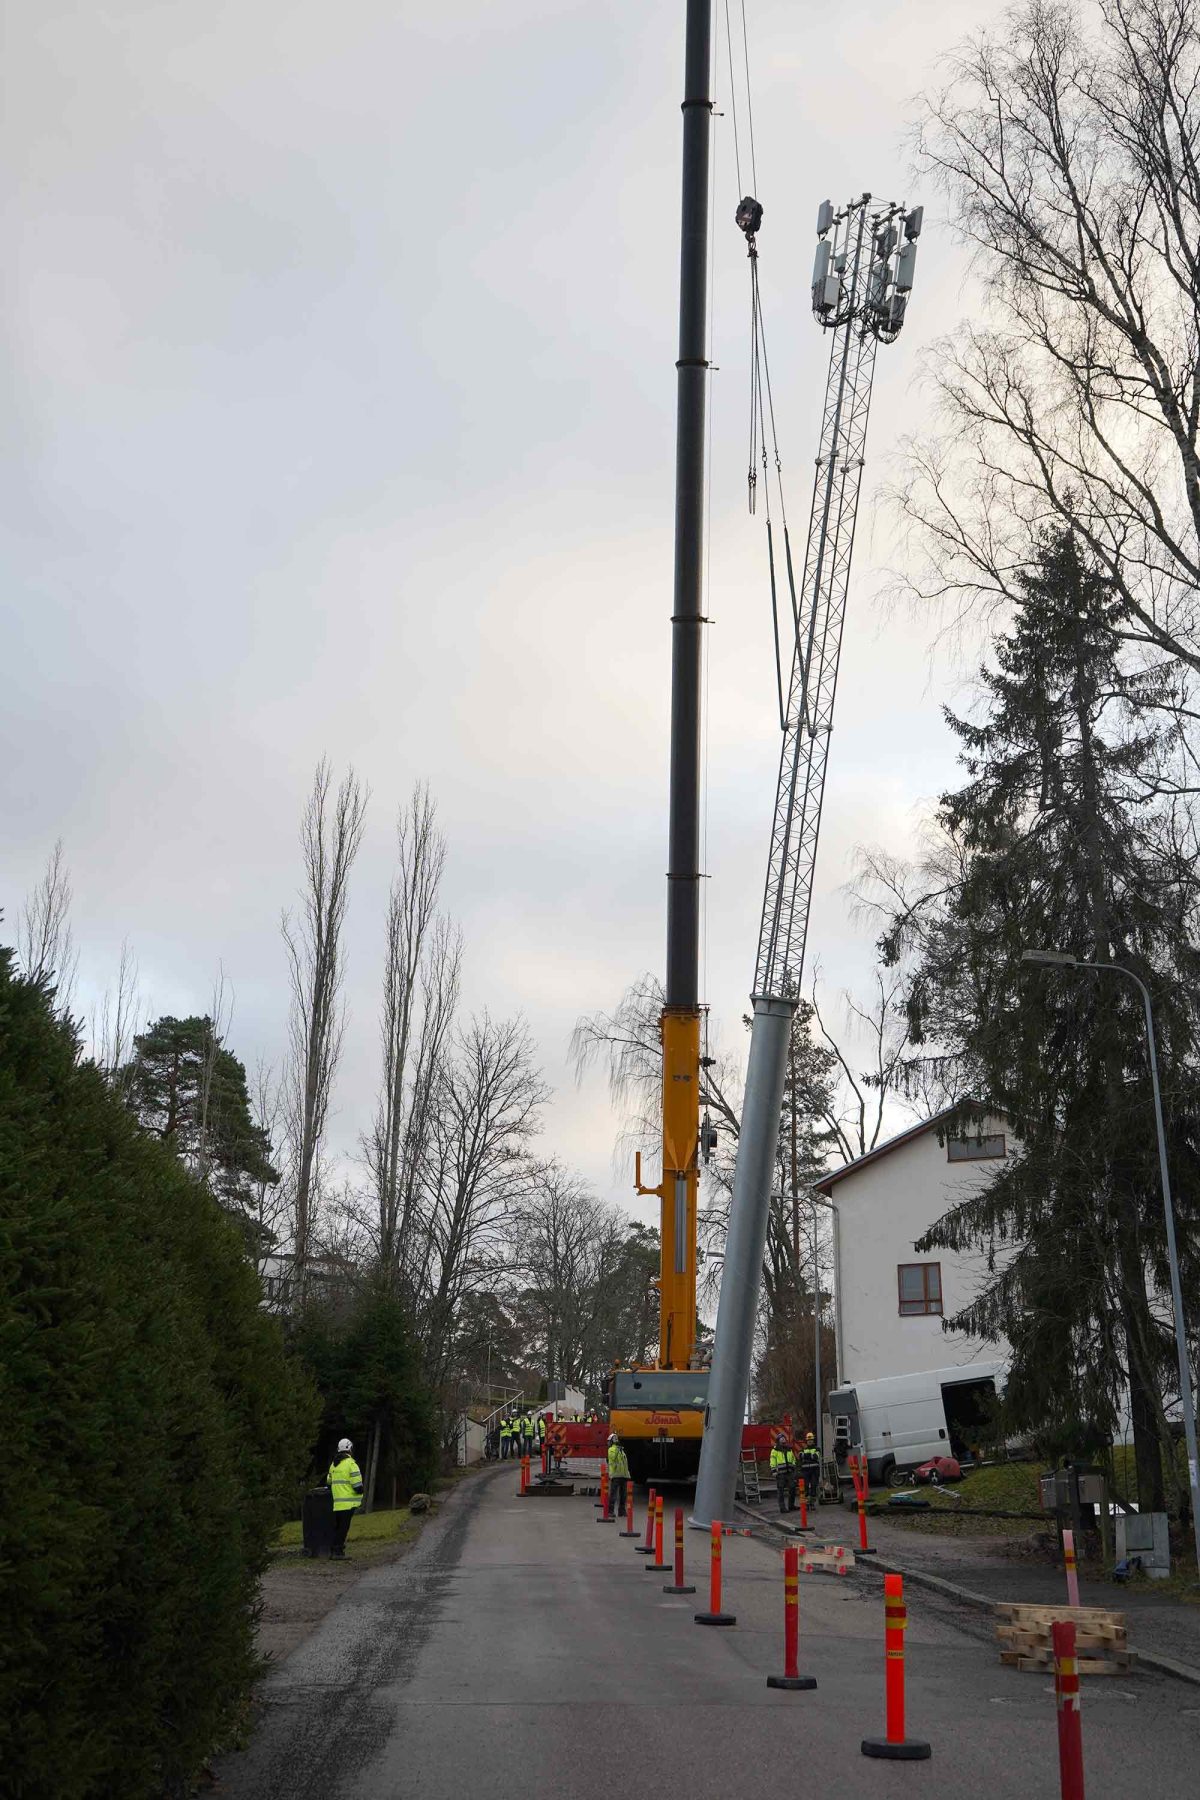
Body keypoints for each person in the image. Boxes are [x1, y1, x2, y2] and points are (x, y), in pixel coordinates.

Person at [326, 1437, 365, 1557]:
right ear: (350, 1449)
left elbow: (328, 1482)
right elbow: (357, 1486)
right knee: (343, 1529)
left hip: (337, 1503)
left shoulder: (333, 1465)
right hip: (349, 1503)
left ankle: (334, 1550)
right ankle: (338, 1551)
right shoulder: (351, 1464)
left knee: (337, 1528)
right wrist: (361, 1492)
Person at [770, 1432, 798, 1515]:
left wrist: (793, 1466)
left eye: (784, 1438)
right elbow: (772, 1461)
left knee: (792, 1488)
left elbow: (793, 1459)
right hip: (780, 1473)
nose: (783, 1439)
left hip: (789, 1472)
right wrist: (774, 1471)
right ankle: (782, 1508)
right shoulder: (774, 1450)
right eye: (781, 1438)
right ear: (778, 1440)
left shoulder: (789, 1449)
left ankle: (791, 1505)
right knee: (781, 1491)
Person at [606, 1433, 630, 1520]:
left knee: (623, 1495)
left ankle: (621, 1511)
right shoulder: (611, 1450)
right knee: (613, 1494)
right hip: (615, 1475)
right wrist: (618, 1450)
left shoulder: (621, 1450)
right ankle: (610, 1511)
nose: (608, 1443)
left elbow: (624, 1463)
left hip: (623, 1475)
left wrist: (627, 1474)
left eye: (609, 1441)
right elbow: (612, 1458)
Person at [800, 1431, 821, 1505]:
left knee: (813, 1486)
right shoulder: (803, 1449)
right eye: (808, 1440)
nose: (810, 1441)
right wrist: (810, 1456)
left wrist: (806, 1456)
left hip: (814, 1471)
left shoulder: (817, 1449)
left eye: (811, 1440)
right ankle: (806, 1503)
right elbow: (800, 1456)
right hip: (805, 1471)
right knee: (805, 1487)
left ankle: (812, 1503)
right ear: (806, 1441)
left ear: (813, 1440)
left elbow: (816, 1456)